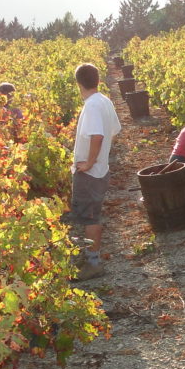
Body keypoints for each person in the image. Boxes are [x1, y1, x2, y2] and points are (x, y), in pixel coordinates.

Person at [70, 63, 122, 279]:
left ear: (79, 83)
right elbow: (114, 131)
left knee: (90, 218)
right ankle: (89, 258)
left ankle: (93, 263)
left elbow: (98, 136)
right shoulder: (105, 101)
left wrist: (89, 162)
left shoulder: (91, 105)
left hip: (91, 173)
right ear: (98, 80)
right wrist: (100, 158)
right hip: (100, 169)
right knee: (90, 215)